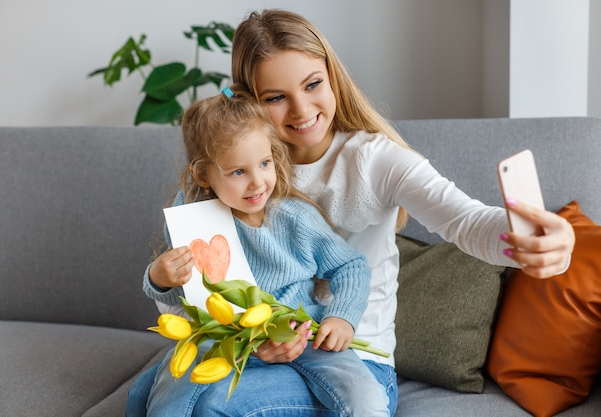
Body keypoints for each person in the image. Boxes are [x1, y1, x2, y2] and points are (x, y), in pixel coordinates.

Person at [127, 9, 575, 416]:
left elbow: (463, 220)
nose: (303, 111)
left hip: (353, 358)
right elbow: (198, 286)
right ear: (249, 102)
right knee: (162, 398)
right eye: (276, 97)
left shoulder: (373, 160)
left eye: (312, 84)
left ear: (332, 77)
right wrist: (247, 338)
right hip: (254, 352)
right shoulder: (230, 173)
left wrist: (530, 240)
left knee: (210, 407)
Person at [142, 86, 390, 417]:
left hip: (301, 333)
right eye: (238, 172)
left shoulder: (293, 219)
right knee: (158, 399)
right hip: (224, 339)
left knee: (364, 398)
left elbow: (351, 266)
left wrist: (341, 316)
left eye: (264, 163)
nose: (257, 182)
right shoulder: (194, 221)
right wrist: (160, 279)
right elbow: (186, 297)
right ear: (204, 175)